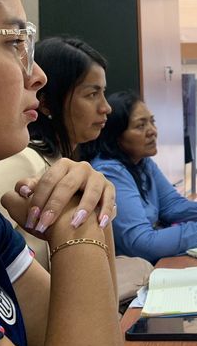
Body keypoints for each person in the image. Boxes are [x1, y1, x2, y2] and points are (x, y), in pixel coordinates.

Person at [0, 0, 122, 346]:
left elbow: (102, 336)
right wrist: (79, 227)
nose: (37, 76)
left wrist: (90, 216)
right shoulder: (25, 166)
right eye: (13, 43)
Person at [22, 36, 154, 308]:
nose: (106, 107)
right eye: (92, 94)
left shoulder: (67, 163)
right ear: (46, 103)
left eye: (103, 93)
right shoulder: (26, 163)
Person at [87, 91, 197, 263]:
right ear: (116, 136)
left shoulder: (142, 162)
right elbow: (142, 243)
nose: (152, 131)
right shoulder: (110, 172)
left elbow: (172, 206)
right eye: (140, 126)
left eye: (152, 122)